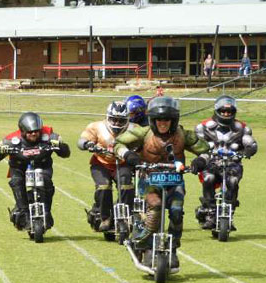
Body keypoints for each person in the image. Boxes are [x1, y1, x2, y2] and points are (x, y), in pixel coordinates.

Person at [114, 96, 210, 268]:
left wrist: (200, 161)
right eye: (159, 119)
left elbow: (206, 150)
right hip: (149, 179)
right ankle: (144, 241)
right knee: (155, 206)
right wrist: (128, 155)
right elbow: (118, 144)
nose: (163, 123)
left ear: (174, 120)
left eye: (167, 119)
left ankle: (172, 248)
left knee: (176, 211)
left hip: (175, 181)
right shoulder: (143, 133)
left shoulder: (183, 134)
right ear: (153, 120)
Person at [0, 112, 70, 231]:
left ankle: (46, 211)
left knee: (46, 181)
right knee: (16, 182)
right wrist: (0, 150)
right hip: (19, 167)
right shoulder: (11, 139)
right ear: (22, 131)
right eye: (30, 132)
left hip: (42, 165)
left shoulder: (49, 135)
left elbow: (66, 153)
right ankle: (23, 212)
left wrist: (60, 146)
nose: (34, 134)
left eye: (36, 131)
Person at [192, 95, 257, 229]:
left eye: (229, 111)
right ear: (217, 110)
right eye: (223, 111)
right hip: (211, 162)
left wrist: (245, 152)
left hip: (232, 163)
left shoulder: (242, 128)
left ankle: (230, 214)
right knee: (209, 179)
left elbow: (251, 145)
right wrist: (202, 157)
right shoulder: (203, 126)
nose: (226, 114)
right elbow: (197, 145)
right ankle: (210, 212)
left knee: (233, 182)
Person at [78, 101, 135, 232]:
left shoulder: (134, 128)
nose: (117, 124)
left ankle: (125, 214)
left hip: (123, 163)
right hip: (101, 163)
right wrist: (88, 144)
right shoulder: (96, 127)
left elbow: (145, 140)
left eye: (121, 121)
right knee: (103, 186)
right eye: (114, 119)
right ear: (108, 117)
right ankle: (105, 217)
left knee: (126, 184)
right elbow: (81, 140)